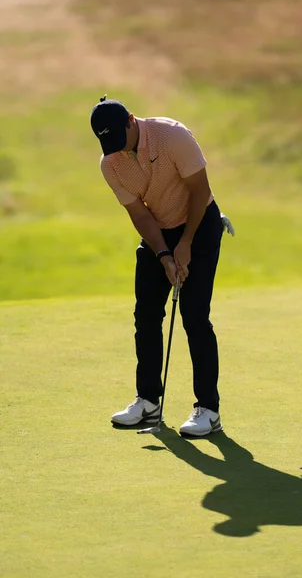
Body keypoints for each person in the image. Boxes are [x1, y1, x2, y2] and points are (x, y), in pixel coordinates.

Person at [90, 95, 234, 437]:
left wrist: (185, 245)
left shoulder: (172, 136)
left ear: (131, 120)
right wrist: (164, 255)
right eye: (106, 143)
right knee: (147, 315)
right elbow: (139, 213)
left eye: (118, 137)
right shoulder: (110, 162)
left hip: (199, 223)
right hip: (159, 231)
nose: (115, 149)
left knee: (194, 315)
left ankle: (208, 410)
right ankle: (148, 401)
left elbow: (201, 190)